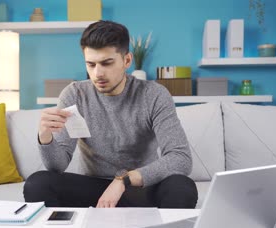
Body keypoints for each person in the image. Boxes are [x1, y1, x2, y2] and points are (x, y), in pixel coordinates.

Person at [24, 20, 197, 208]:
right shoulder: (75, 94)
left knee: (182, 187)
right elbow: (57, 166)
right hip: (94, 190)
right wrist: (45, 137)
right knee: (37, 184)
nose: (98, 73)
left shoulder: (154, 94)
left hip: (140, 187)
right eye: (91, 64)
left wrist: (124, 180)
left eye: (107, 63)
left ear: (127, 60)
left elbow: (180, 158)